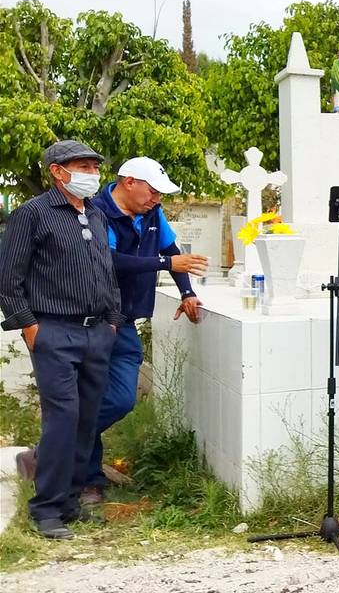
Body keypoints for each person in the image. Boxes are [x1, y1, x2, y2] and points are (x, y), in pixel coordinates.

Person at [0, 140, 123, 539]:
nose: (92, 173)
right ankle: (46, 509)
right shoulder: (32, 214)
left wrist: (112, 322)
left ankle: (70, 502)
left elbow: (106, 272)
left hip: (97, 332)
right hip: (54, 331)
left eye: (94, 166)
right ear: (57, 171)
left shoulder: (96, 215)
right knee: (63, 418)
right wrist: (29, 326)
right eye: (83, 165)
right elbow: (8, 279)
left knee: (87, 420)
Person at [78, 157, 209, 502]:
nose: (157, 199)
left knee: (120, 398)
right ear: (129, 182)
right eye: (152, 192)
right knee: (91, 394)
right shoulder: (97, 211)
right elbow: (108, 260)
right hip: (94, 320)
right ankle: (89, 480)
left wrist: (187, 292)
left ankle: (61, 443)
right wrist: (167, 264)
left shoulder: (152, 213)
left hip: (126, 322)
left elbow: (171, 250)